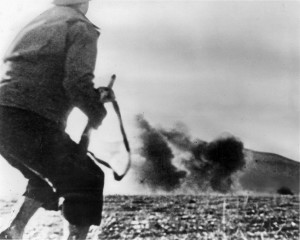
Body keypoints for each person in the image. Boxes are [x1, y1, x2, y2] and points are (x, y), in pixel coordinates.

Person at [0, 0, 115, 239]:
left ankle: (13, 231)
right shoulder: (80, 27)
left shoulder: (38, 22)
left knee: (44, 175)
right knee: (86, 180)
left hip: (5, 117)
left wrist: (93, 98)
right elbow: (75, 83)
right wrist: (96, 109)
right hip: (30, 120)